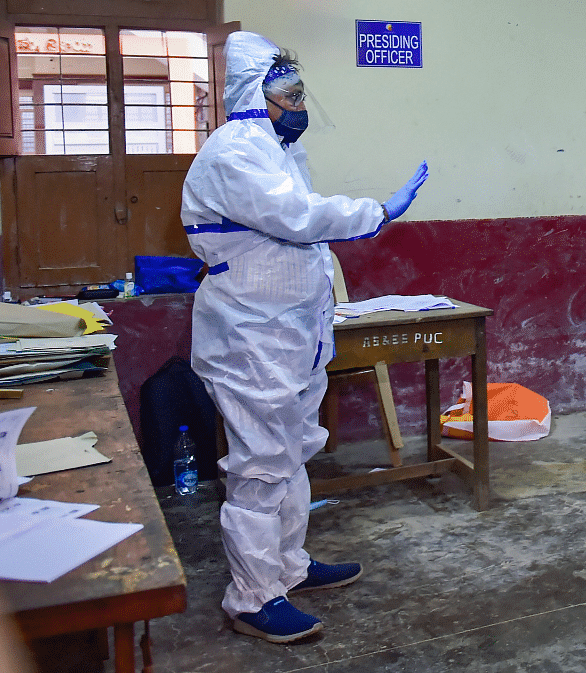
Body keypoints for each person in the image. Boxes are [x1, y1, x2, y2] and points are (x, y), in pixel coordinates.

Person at [182, 31, 429, 643]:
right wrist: (378, 210)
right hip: (249, 337)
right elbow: (299, 218)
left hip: (287, 332)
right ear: (252, 96)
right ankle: (252, 596)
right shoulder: (235, 152)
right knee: (260, 466)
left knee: (291, 453)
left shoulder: (275, 150)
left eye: (299, 92)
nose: (298, 104)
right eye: (286, 94)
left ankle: (287, 567)